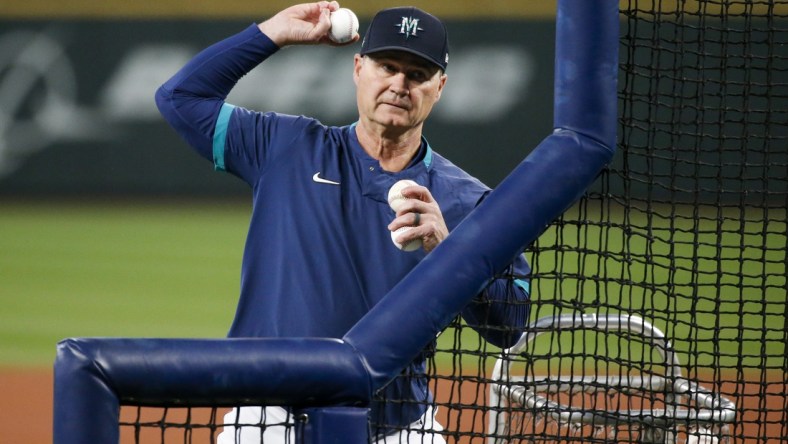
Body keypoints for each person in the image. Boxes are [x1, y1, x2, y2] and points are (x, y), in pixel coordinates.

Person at [155, 2, 531, 443]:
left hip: (396, 425)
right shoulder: (286, 147)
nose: (398, 84)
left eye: (416, 73)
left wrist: (450, 250)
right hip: (268, 420)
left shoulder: (469, 200)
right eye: (387, 66)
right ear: (358, 68)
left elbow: (510, 325)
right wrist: (272, 32)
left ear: (440, 86)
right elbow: (179, 98)